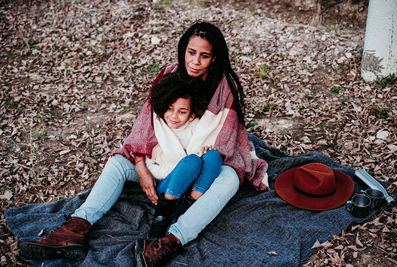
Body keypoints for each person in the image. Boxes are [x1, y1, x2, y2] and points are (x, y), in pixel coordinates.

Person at [19, 22, 269, 266]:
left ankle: (170, 241)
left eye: (204, 56)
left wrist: (206, 155)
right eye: (191, 53)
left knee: (230, 178)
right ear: (184, 50)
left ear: (214, 59)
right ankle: (76, 228)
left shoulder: (225, 86)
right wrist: (140, 165)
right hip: (161, 157)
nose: (195, 61)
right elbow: (145, 125)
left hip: (202, 165)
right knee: (118, 162)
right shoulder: (169, 74)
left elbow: (225, 136)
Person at [146, 72, 223, 239]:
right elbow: (151, 166)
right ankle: (162, 217)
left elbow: (207, 139)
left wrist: (207, 149)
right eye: (170, 109)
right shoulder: (158, 131)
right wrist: (180, 168)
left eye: (182, 112)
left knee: (213, 156)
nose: (174, 116)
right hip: (168, 187)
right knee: (191, 161)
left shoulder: (197, 127)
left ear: (191, 115)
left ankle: (190, 205)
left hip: (193, 187)